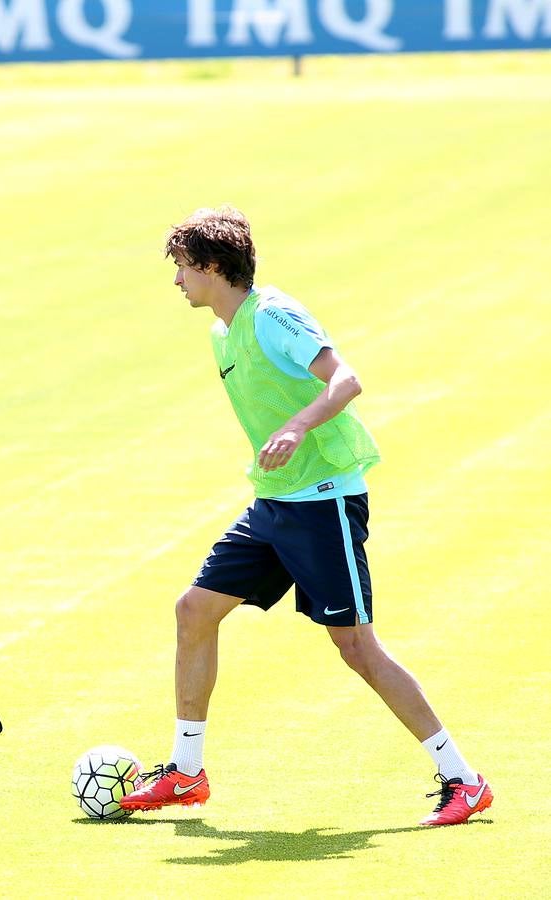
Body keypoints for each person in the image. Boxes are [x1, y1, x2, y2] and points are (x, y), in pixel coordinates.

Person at [119, 206, 492, 827]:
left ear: (212, 266)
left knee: (356, 648)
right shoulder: (223, 331)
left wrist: (296, 426)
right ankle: (186, 772)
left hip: (324, 502)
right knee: (194, 610)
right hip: (275, 503)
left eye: (183, 267)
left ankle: (464, 779)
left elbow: (345, 379)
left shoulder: (272, 317)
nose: (177, 280)